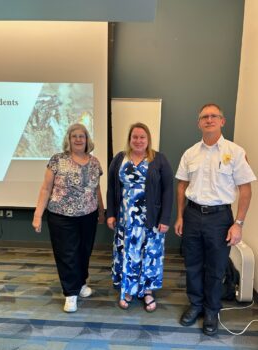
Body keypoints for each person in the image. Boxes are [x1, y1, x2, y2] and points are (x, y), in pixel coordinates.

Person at [174, 103, 256, 336]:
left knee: (216, 267)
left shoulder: (236, 152)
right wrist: (180, 216)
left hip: (220, 218)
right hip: (192, 215)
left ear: (222, 121)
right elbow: (181, 185)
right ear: (199, 123)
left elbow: (245, 190)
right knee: (192, 265)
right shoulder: (190, 153)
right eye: (204, 117)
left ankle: (211, 310)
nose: (209, 119)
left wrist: (238, 224)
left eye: (214, 116)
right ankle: (196, 304)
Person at [32, 123, 104, 313]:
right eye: (75, 136)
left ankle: (80, 284)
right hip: (61, 215)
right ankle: (70, 293)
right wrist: (37, 214)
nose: (79, 139)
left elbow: (96, 189)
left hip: (88, 215)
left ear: (87, 139)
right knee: (67, 253)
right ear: (69, 140)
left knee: (84, 251)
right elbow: (46, 188)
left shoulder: (95, 162)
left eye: (82, 136)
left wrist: (102, 211)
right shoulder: (57, 160)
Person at [107, 122, 173, 312]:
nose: (138, 140)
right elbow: (112, 188)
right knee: (128, 254)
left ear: (148, 139)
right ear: (130, 139)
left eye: (142, 137)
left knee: (150, 255)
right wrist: (110, 214)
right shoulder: (120, 159)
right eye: (134, 137)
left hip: (151, 219)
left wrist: (165, 219)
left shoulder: (159, 159)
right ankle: (128, 289)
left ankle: (147, 292)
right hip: (125, 219)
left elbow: (168, 190)